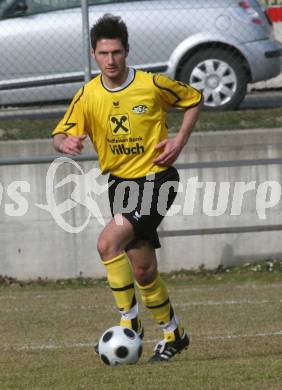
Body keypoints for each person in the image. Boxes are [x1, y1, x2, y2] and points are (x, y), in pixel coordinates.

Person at [52, 14, 202, 363]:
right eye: (104, 53)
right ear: (94, 54)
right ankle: (174, 332)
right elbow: (59, 133)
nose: (111, 60)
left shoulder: (151, 84)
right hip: (120, 185)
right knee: (143, 271)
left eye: (117, 52)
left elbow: (193, 98)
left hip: (156, 179)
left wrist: (179, 140)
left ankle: (128, 320)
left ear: (127, 51)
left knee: (107, 242)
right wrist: (65, 145)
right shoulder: (88, 96)